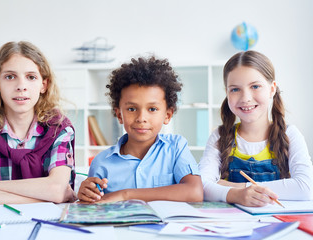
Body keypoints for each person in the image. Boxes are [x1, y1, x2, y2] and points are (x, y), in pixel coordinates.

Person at [0, 41, 76, 219]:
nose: (21, 86)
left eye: (31, 77)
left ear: (44, 85)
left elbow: (56, 190)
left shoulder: (59, 131)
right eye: (10, 76)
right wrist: (44, 199)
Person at [78, 56, 203, 203]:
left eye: (152, 109)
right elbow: (92, 207)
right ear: (119, 115)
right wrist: (85, 195)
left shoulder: (176, 148)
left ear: (167, 115)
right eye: (131, 109)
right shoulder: (101, 163)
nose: (141, 118)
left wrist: (126, 195)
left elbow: (195, 192)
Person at [199, 50, 313, 207]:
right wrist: (237, 195)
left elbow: (305, 188)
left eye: (255, 86)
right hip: (233, 224)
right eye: (235, 89)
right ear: (227, 93)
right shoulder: (219, 136)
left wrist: (235, 188)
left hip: (276, 223)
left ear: (272, 89)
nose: (245, 98)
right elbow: (201, 187)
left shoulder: (290, 134)